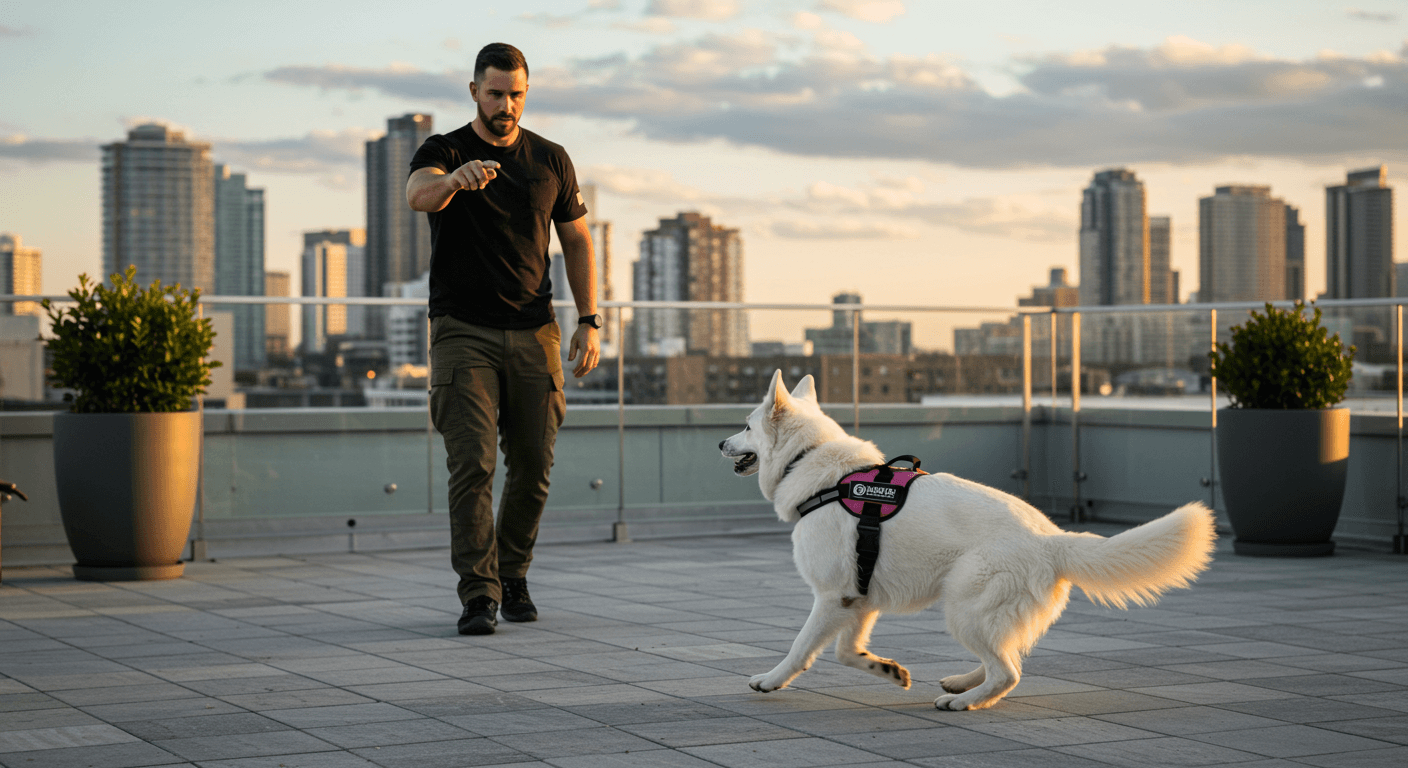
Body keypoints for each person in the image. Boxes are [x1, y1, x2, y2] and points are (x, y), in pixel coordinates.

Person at [407, 42, 601, 635]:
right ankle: (478, 593)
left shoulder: (551, 159)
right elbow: (417, 194)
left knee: (535, 464)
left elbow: (577, 242)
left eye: (516, 94)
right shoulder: (444, 150)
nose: (506, 105)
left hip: (535, 330)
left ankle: (512, 571)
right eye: (495, 93)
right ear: (474, 92)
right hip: (462, 332)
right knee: (473, 464)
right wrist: (455, 182)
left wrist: (589, 318)